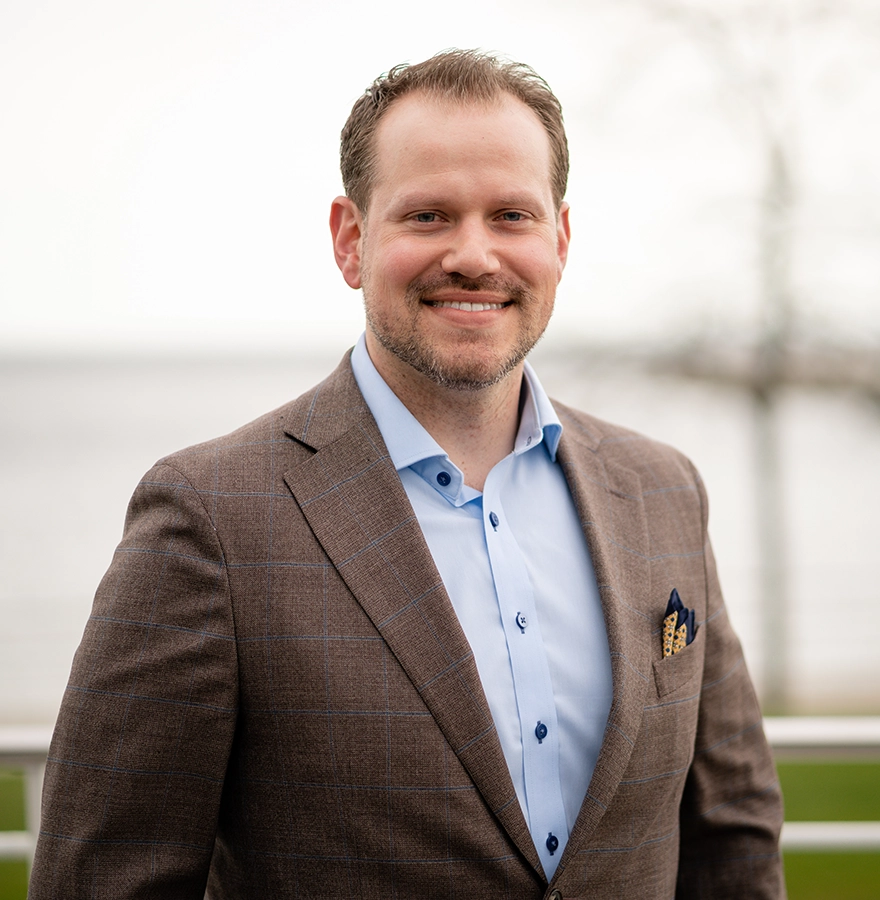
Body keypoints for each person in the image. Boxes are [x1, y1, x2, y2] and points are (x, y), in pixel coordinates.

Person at [28, 50, 785, 899]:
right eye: (427, 216)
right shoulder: (211, 520)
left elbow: (734, 834)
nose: (473, 254)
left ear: (560, 241)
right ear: (352, 241)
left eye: (511, 215)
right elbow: (102, 878)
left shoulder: (662, 490)